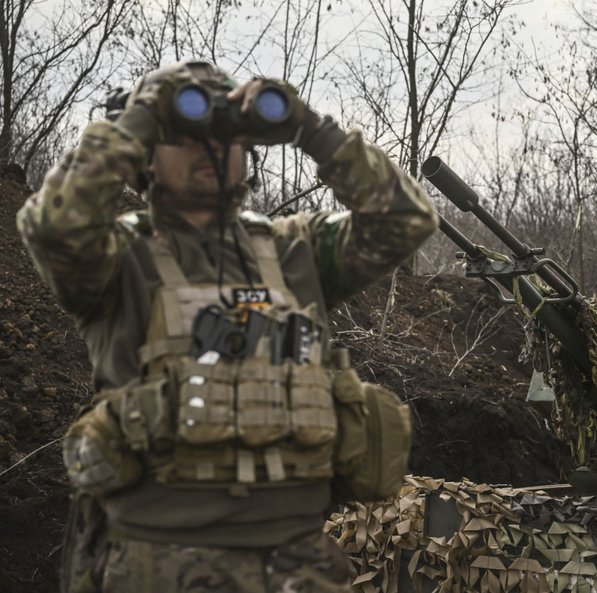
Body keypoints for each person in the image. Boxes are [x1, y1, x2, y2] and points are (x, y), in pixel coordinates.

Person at [17, 61, 438, 592]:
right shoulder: (117, 258)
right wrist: (144, 118)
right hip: (158, 562)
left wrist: (310, 129)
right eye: (184, 136)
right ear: (146, 154)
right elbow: (54, 226)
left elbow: (407, 218)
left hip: (299, 561)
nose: (208, 148)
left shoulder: (294, 249)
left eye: (224, 135)